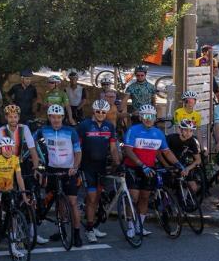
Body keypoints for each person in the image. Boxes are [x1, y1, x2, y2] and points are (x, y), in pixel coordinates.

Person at [123, 104, 184, 237]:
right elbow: (128, 150)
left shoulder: (158, 133)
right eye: (145, 116)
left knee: (145, 197)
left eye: (151, 116)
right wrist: (141, 165)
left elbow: (166, 152)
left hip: (149, 169)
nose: (148, 119)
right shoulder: (133, 130)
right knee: (134, 197)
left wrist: (178, 164)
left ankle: (140, 226)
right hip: (133, 167)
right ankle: (130, 226)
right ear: (140, 117)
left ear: (154, 117)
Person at [35, 105, 84, 246]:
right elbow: (30, 143)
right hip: (51, 170)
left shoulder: (70, 131)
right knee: (58, 202)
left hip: (69, 171)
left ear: (62, 117)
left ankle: (76, 233)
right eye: (53, 117)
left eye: (58, 117)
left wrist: (75, 167)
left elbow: (78, 152)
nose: (56, 120)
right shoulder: (43, 130)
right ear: (49, 117)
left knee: (73, 202)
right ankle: (61, 229)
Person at [77, 99, 120, 243]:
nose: (100, 114)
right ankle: (89, 229)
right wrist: (76, 165)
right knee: (92, 197)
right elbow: (77, 148)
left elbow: (113, 148)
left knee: (97, 198)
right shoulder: (84, 126)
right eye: (98, 112)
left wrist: (117, 163)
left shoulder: (109, 126)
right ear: (93, 111)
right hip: (87, 166)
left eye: (103, 112)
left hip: (101, 167)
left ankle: (92, 224)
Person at [0, 136, 28, 259]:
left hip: (10, 191)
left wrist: (24, 195)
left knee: (13, 220)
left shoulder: (15, 159)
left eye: (11, 148)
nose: (8, 150)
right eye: (6, 148)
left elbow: (19, 178)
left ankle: (13, 249)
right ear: (1, 149)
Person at [165, 119, 202, 197]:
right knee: (167, 185)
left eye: (191, 131)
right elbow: (162, 152)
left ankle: (183, 199)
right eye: (186, 130)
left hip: (182, 165)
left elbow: (198, 160)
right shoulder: (171, 138)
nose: (188, 133)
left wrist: (188, 168)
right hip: (167, 164)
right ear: (180, 129)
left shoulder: (192, 141)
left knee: (194, 187)